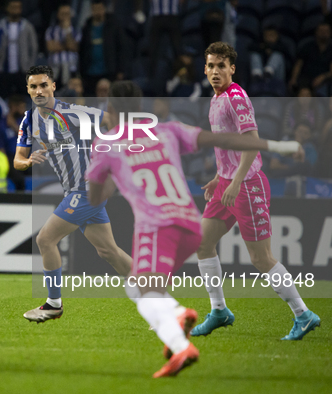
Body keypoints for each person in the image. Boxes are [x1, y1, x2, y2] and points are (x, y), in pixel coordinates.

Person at [86, 80, 306, 378]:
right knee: (150, 285)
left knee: (140, 288)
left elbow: (96, 199)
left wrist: (106, 174)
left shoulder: (107, 143)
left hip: (157, 226)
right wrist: (277, 145)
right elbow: (225, 141)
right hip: (190, 223)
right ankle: (187, 335)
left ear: (110, 110)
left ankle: (179, 321)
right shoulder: (168, 130)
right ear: (140, 109)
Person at [191, 42, 320, 340]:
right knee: (203, 244)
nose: (215, 72)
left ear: (232, 68)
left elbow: (251, 141)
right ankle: (219, 311)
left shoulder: (236, 97)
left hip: (246, 185)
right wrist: (218, 177)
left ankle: (303, 314)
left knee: (261, 258)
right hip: (227, 182)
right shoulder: (216, 98)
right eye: (210, 66)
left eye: (221, 66)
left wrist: (235, 182)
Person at [15, 65, 132, 323]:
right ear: (28, 90)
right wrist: (28, 161)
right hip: (76, 191)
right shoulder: (28, 119)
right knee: (109, 252)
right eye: (33, 86)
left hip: (87, 189)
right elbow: (17, 160)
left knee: (45, 239)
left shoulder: (72, 113)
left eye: (43, 85)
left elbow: (112, 121)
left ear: (53, 86)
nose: (39, 91)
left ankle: (53, 304)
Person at [0, 0, 38, 99]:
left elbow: (34, 48)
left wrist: (29, 66)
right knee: (3, 97)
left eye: (17, 7)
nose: (15, 10)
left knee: (23, 98)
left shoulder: (27, 26)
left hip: (22, 70)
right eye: (12, 7)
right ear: (7, 8)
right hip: (3, 69)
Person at [289, 23, 332, 95]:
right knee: (300, 90)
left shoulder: (331, 49)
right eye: (321, 31)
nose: (324, 33)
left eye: (326, 31)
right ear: (316, 32)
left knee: (323, 91)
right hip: (306, 78)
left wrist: (322, 77)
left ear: (330, 33)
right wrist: (293, 79)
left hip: (325, 80)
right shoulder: (307, 46)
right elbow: (298, 64)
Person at [45, 3, 81, 87]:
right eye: (62, 14)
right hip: (55, 68)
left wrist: (67, 30)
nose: (65, 16)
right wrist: (67, 45)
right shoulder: (51, 31)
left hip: (71, 68)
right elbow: (50, 47)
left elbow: (73, 46)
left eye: (67, 14)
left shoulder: (76, 31)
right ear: (58, 15)